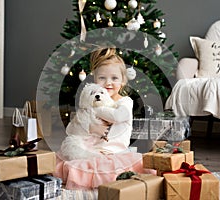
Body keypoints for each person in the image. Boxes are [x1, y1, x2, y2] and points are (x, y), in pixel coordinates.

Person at [53, 47, 155, 190]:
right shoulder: (92, 101)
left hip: (114, 152)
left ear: (123, 81)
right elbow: (71, 129)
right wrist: (90, 127)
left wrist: (97, 110)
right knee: (74, 164)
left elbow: (119, 116)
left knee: (111, 171)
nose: (108, 83)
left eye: (114, 78)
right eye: (102, 78)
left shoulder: (124, 102)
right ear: (95, 79)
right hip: (92, 151)